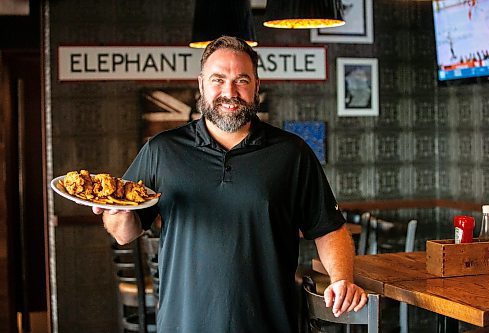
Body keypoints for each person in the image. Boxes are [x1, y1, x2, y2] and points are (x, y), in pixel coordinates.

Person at [93, 35, 367, 332]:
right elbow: (125, 233)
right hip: (183, 323)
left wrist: (341, 279)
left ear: (257, 86)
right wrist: (115, 212)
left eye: (242, 80)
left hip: (269, 323)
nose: (229, 91)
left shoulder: (292, 153)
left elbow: (329, 228)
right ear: (201, 84)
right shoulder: (162, 150)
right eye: (218, 79)